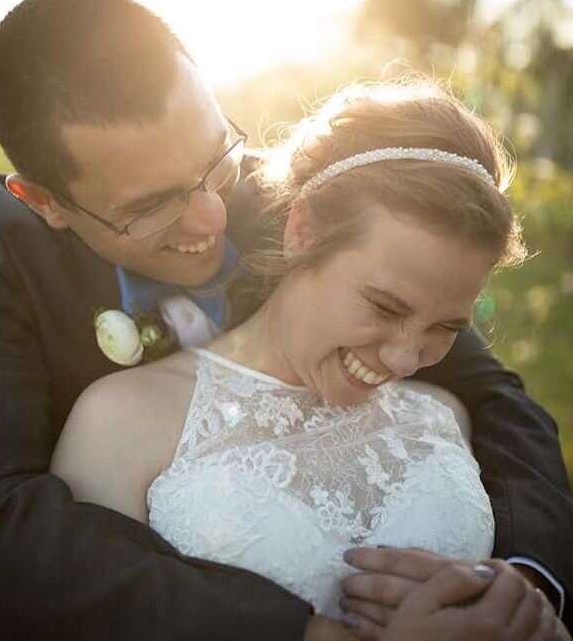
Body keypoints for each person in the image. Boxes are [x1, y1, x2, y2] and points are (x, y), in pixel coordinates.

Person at [0, 0, 570, 641]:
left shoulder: (299, 193)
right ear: (45, 202)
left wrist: (526, 580)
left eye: (215, 157)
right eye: (151, 205)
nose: (213, 216)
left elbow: (494, 399)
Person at [49, 79, 564, 639]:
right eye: (385, 306)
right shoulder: (124, 420)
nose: (405, 358)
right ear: (302, 231)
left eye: (445, 327)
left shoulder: (445, 415)